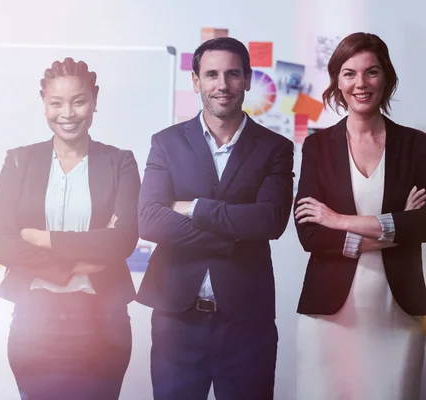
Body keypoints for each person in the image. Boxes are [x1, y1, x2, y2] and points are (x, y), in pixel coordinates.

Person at [137, 37, 294, 400]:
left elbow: (269, 221)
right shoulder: (166, 142)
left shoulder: (276, 148)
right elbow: (149, 221)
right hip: (176, 319)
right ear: (195, 81)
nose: (222, 85)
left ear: (248, 79)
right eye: (211, 75)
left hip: (246, 323)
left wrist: (192, 208)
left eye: (232, 74)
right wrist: (234, 233)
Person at [0, 57, 140, 400]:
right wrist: (85, 257)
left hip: (103, 322)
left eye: (79, 101)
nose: (67, 113)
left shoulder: (120, 162)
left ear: (95, 100)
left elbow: (123, 240)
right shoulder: (18, 161)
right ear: (43, 104)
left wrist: (44, 239)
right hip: (33, 320)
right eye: (56, 103)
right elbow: (3, 246)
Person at [294, 32, 426, 400]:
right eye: (349, 73)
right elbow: (309, 234)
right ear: (337, 80)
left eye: (372, 72)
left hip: (398, 313)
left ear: (386, 78)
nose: (361, 83)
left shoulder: (417, 145)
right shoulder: (318, 146)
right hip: (330, 316)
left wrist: (340, 221)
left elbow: (425, 224)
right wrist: (395, 227)